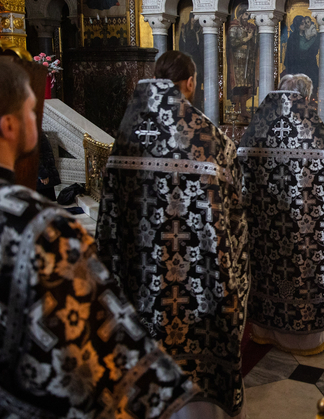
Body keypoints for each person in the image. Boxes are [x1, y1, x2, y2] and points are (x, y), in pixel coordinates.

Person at [0, 53, 196, 418]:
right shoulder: (41, 229)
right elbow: (109, 365)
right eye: (30, 109)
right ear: (8, 126)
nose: (34, 119)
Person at [96, 51, 250, 418]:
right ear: (191, 83)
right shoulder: (206, 135)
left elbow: (109, 212)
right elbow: (234, 208)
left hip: (141, 268)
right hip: (194, 275)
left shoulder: (127, 130)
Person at [237, 74, 324, 354]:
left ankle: (265, 329)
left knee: (268, 266)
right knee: (304, 270)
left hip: (265, 229)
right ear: (306, 97)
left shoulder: (257, 128)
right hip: (306, 233)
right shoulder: (313, 130)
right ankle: (307, 339)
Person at [227, 3, 258, 121]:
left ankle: (244, 110)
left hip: (248, 61)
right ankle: (236, 110)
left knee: (246, 86)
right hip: (237, 61)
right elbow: (233, 42)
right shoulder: (234, 27)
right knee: (237, 85)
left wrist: (253, 37)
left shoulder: (249, 27)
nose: (247, 17)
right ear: (240, 14)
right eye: (246, 14)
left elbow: (254, 44)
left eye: (249, 15)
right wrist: (247, 38)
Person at [283, 15, 320, 95]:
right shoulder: (293, 37)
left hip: (309, 65)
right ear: (298, 25)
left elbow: (313, 49)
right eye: (302, 24)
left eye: (305, 23)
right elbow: (302, 48)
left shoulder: (307, 34)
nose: (305, 25)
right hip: (298, 67)